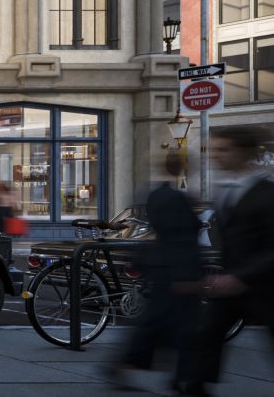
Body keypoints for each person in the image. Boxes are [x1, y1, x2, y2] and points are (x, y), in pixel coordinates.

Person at [180, 125, 274, 396]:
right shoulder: (224, 189)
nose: (215, 155)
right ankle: (194, 387)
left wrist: (240, 277)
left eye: (223, 149)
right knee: (208, 335)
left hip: (264, 285)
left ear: (243, 153)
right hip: (230, 283)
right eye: (213, 149)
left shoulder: (267, 193)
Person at [108, 153, 201, 391]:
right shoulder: (174, 198)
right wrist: (184, 275)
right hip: (174, 269)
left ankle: (180, 376)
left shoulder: (154, 193)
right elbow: (178, 237)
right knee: (178, 325)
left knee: (159, 323)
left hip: (163, 266)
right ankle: (184, 378)